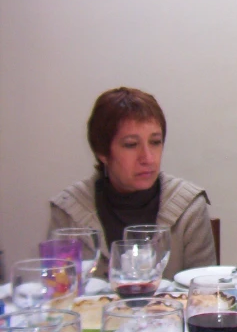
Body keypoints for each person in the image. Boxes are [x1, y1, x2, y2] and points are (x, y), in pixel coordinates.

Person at [48, 87, 216, 280]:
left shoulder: (189, 206)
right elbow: (58, 293)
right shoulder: (68, 210)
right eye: (131, 145)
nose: (148, 158)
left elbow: (205, 296)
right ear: (102, 152)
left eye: (155, 142)